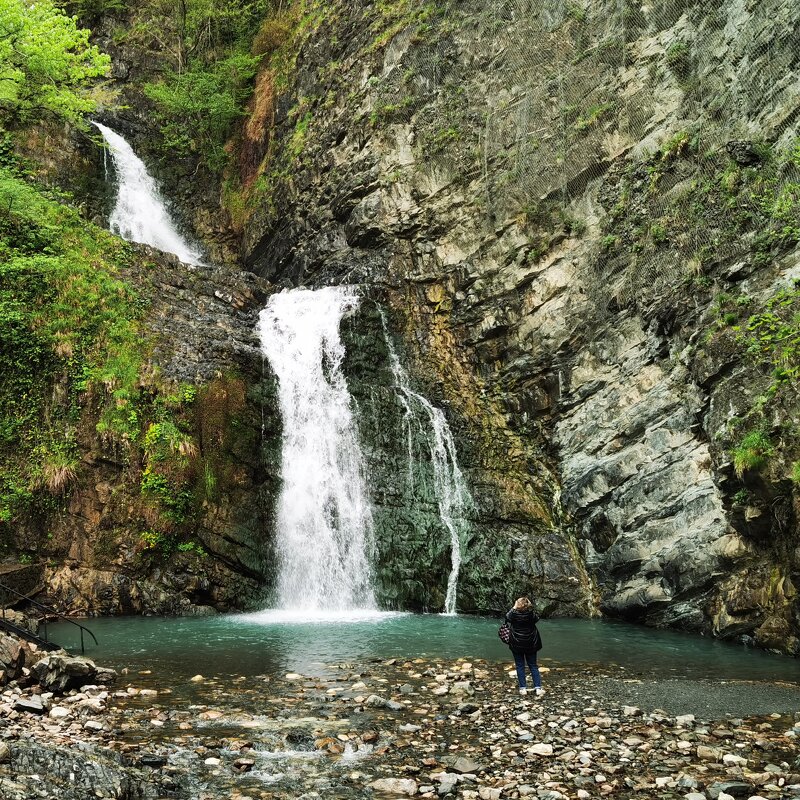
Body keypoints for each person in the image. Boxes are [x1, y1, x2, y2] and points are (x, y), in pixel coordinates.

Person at [505, 596, 544, 697]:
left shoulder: (513, 614)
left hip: (517, 644)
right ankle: (538, 688)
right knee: (533, 666)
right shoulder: (531, 615)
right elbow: (537, 618)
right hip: (530, 643)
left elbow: (507, 617)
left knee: (520, 666)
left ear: (517, 605)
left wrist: (514, 607)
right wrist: (530, 609)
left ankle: (523, 689)